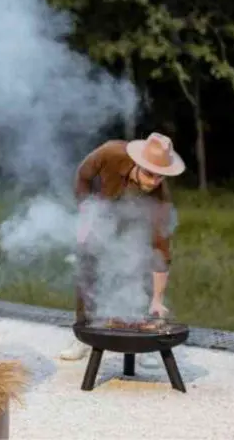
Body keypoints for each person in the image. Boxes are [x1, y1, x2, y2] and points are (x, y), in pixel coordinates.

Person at [60, 132, 184, 364]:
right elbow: (83, 175)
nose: (154, 182)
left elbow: (161, 249)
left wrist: (157, 299)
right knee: (87, 268)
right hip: (98, 211)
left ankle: (141, 342)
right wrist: (87, 211)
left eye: (161, 177)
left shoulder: (161, 200)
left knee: (139, 260)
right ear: (138, 163)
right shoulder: (110, 153)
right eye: (149, 174)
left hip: (133, 221)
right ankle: (84, 336)